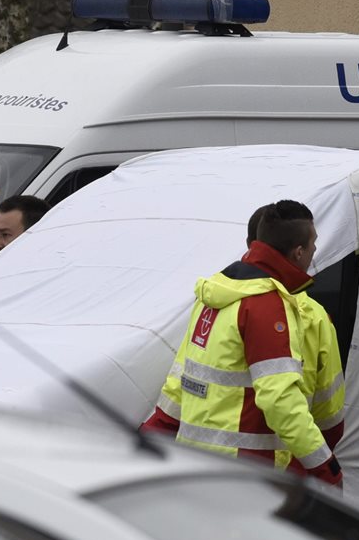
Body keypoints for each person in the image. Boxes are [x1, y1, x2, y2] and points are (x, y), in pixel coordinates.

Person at [142, 200, 344, 487]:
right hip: (248, 473)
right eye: (313, 245)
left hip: (194, 464)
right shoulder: (268, 306)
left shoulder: (212, 297)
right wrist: (326, 467)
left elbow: (183, 382)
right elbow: (282, 401)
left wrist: (148, 435)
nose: (314, 253)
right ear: (298, 252)